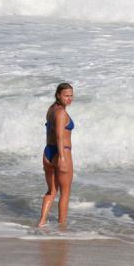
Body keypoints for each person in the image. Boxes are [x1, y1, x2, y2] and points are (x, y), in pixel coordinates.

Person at [38, 83, 75, 227]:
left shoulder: (51, 109)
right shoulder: (61, 113)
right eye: (66, 95)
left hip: (48, 152)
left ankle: (41, 222)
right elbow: (59, 136)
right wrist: (62, 158)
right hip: (61, 152)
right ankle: (62, 227)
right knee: (65, 194)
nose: (69, 99)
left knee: (51, 191)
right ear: (58, 95)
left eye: (71, 95)